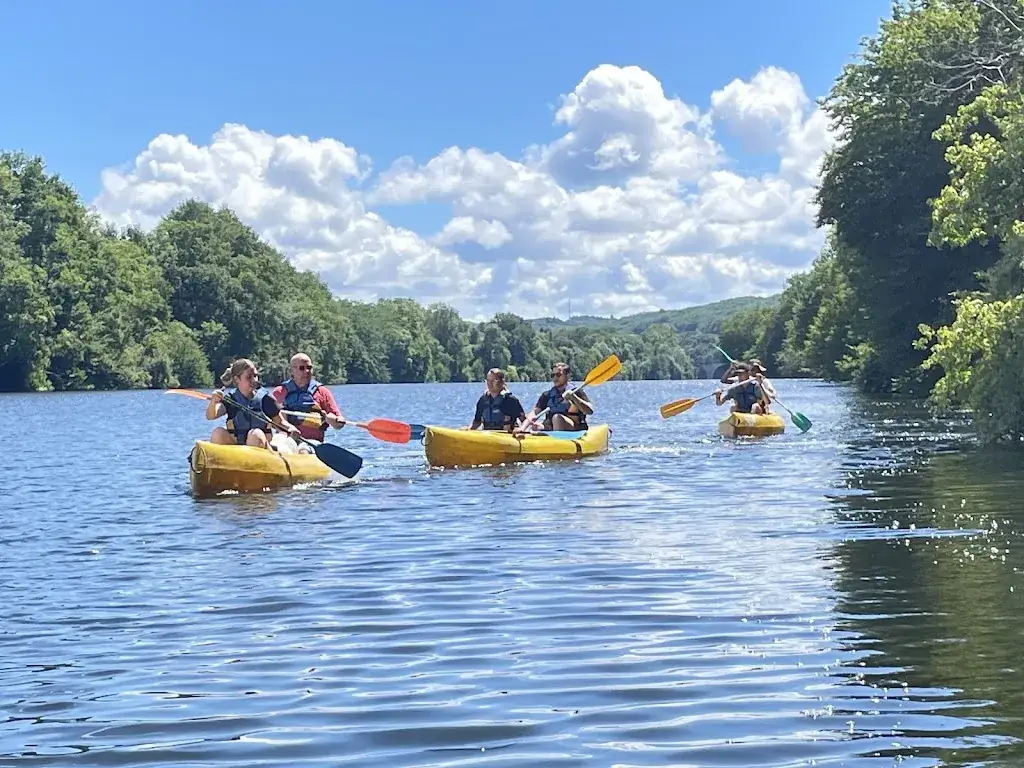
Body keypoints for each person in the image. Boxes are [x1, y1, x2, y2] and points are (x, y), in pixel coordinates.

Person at [206, 358, 300, 448]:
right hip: (237, 447)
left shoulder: (265, 399)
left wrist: (291, 429)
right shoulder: (231, 399)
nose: (254, 380)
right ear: (237, 379)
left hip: (261, 446)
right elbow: (211, 416)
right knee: (218, 433)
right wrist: (214, 402)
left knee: (255, 434)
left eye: (255, 376)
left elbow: (280, 422)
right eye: (249, 377)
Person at [271, 353, 346, 450]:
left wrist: (334, 420)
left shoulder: (322, 392)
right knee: (277, 444)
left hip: (312, 442)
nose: (306, 371)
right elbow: (268, 420)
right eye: (302, 368)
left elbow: (338, 423)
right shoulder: (279, 392)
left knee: (303, 450)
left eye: (309, 368)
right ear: (292, 371)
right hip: (286, 438)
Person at [522, 362, 593, 432]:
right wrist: (522, 428)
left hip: (574, 428)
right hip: (552, 427)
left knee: (557, 418)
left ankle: (556, 440)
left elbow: (589, 411)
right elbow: (534, 413)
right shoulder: (547, 395)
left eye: (558, 375)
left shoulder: (576, 392)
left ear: (567, 375)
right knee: (537, 426)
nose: (555, 378)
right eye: (553, 375)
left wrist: (574, 397)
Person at [468, 368, 526, 432]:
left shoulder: (511, 400)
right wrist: (468, 431)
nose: (490, 383)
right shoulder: (483, 400)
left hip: (506, 437)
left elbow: (524, 420)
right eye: (488, 380)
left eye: (494, 380)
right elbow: (477, 422)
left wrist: (520, 430)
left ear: (502, 381)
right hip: (488, 436)